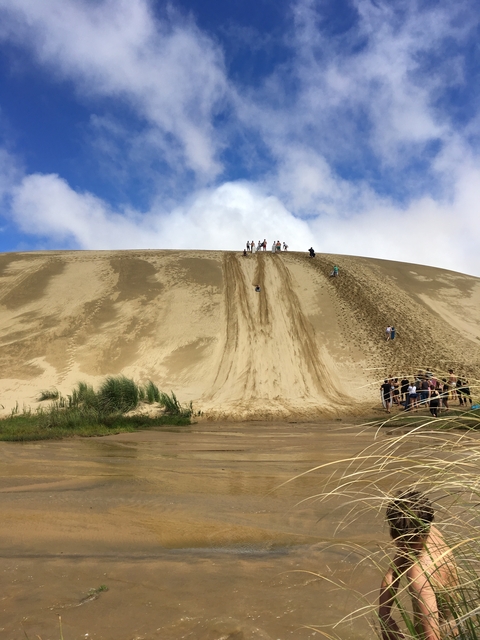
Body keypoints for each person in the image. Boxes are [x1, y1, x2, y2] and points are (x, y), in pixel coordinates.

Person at [379, 490, 460, 640]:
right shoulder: (431, 532)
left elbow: (432, 637)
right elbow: (394, 570)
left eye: (403, 540)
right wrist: (384, 614)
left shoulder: (419, 574)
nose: (398, 544)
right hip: (455, 628)